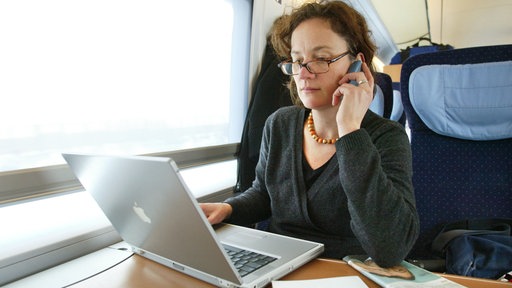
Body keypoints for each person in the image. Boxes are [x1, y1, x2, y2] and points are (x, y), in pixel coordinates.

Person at [200, 1, 419, 268]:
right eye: (297, 60)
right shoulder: (279, 124)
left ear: (357, 64)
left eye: (321, 59)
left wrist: (350, 130)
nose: (303, 74)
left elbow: (389, 247)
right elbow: (263, 194)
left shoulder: (387, 137)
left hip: (345, 273)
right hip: (276, 265)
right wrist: (228, 209)